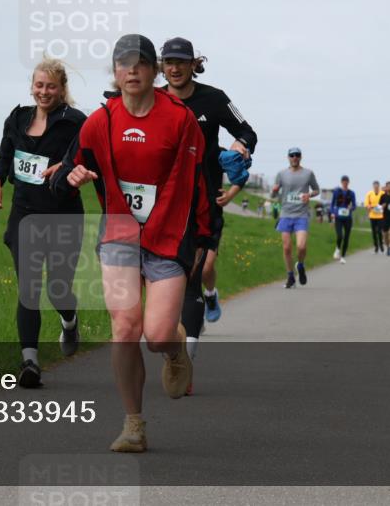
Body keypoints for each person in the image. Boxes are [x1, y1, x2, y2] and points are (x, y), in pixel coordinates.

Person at [52, 34, 210, 453]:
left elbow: (198, 184)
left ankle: (175, 350)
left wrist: (205, 238)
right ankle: (133, 424)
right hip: (120, 236)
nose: (132, 70)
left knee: (156, 335)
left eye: (141, 63)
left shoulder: (180, 120)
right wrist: (71, 177)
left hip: (168, 236)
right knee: (124, 329)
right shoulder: (100, 121)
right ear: (115, 72)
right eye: (124, 64)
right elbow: (66, 171)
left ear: (155, 71)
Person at [158, 36, 258, 376]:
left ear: (192, 64)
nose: (174, 68)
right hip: (164, 204)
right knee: (166, 279)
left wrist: (240, 145)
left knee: (194, 276)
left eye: (180, 62)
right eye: (168, 62)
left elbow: (247, 131)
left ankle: (186, 359)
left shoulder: (213, 99)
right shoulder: (153, 100)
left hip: (205, 200)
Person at [0, 56, 86, 388]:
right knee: (29, 288)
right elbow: (5, 155)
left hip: (62, 216)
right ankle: (30, 362)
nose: (44, 92)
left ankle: (69, 321)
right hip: (25, 214)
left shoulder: (75, 123)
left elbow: (88, 156)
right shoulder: (17, 118)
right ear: (32, 86)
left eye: (51, 86)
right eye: (39, 85)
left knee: (58, 288)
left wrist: (68, 166)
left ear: (62, 89)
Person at [271, 148, 319, 288]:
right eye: (292, 155)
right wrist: (274, 191)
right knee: (286, 248)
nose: (294, 158)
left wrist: (309, 195)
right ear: (288, 157)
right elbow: (273, 196)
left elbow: (317, 190)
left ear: (301, 157)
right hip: (285, 214)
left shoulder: (308, 173)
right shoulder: (281, 174)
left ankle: (301, 265)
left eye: (297, 155)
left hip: (301, 215)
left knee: (301, 246)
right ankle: (290, 276)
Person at [330, 175, 356, 264]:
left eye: (346, 181)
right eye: (343, 181)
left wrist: (351, 208)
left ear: (348, 182)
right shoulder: (337, 192)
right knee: (340, 235)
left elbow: (354, 205)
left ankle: (343, 256)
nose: (345, 183)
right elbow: (332, 204)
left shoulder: (351, 193)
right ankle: (337, 249)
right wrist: (333, 213)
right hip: (338, 217)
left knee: (346, 237)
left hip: (348, 218)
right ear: (341, 182)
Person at [364, 180, 385, 253]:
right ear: (373, 186)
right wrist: (368, 207)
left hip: (380, 215)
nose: (376, 187)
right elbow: (366, 204)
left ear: (379, 186)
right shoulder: (369, 194)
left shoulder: (382, 193)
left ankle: (381, 244)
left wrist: (381, 206)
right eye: (374, 186)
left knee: (379, 231)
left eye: (377, 186)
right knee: (373, 232)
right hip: (372, 215)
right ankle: (376, 246)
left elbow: (385, 202)